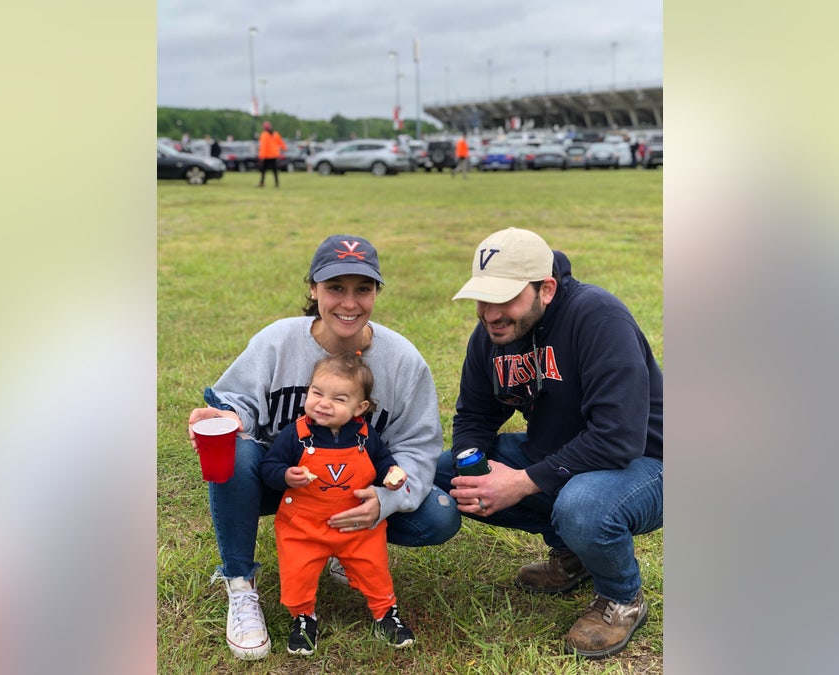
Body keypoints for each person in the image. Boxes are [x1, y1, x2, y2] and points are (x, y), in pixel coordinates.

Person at [188, 234, 459, 661]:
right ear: (313, 290)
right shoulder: (278, 341)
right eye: (335, 288)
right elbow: (235, 401)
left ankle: (342, 550)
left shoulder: (403, 360)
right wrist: (228, 416)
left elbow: (419, 446)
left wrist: (388, 498)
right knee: (236, 451)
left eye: (362, 289)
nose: (349, 303)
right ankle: (240, 584)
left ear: (376, 293)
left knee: (438, 515)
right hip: (282, 482)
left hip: (354, 494)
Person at [434, 227, 663, 660]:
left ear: (547, 289)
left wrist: (521, 482)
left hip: (648, 464)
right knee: (446, 472)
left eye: (504, 298)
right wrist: (472, 466)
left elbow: (618, 438)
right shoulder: (491, 336)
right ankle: (572, 558)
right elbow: (476, 416)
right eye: (482, 298)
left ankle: (620, 598)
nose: (489, 313)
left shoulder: (599, 319)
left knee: (584, 506)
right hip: (564, 456)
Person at [259, 353, 416, 655]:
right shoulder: (296, 434)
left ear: (360, 408)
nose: (323, 403)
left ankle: (386, 613)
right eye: (317, 393)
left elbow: (384, 462)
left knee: (375, 568)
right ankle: (303, 616)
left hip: (357, 525)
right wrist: (285, 475)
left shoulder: (366, 437)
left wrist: (392, 475)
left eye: (338, 398)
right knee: (298, 571)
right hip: (303, 525)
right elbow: (269, 466)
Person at [257, 120, 287, 188]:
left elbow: (263, 146)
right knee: (275, 171)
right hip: (274, 155)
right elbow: (281, 142)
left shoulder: (264, 135)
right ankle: (277, 184)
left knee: (263, 171)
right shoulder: (275, 134)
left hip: (266, 156)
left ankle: (262, 183)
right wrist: (285, 148)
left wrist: (261, 156)